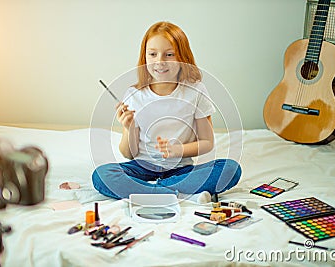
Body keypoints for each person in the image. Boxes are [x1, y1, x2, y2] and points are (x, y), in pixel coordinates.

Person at [92, 21, 241, 203]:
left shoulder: (196, 91)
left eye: (169, 54)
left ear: (182, 57)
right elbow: (128, 154)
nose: (160, 61)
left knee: (230, 168)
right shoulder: (134, 94)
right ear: (144, 56)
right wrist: (129, 128)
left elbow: (207, 143)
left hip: (181, 169)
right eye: (153, 54)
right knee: (101, 175)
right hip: (142, 167)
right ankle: (175, 192)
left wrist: (177, 150)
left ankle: (151, 191)